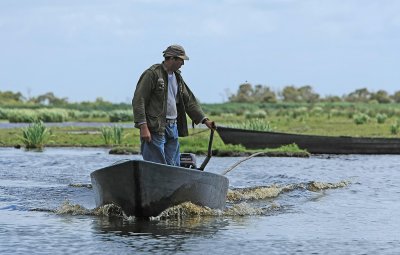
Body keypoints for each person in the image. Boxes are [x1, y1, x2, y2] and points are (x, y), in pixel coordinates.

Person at [132, 44, 215, 166]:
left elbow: (189, 100)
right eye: (181, 60)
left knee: (173, 165)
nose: (183, 63)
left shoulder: (177, 77)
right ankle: (154, 184)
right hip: (155, 127)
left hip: (172, 127)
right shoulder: (152, 74)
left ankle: (172, 185)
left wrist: (205, 120)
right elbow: (139, 100)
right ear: (172, 58)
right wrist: (143, 126)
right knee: (155, 164)